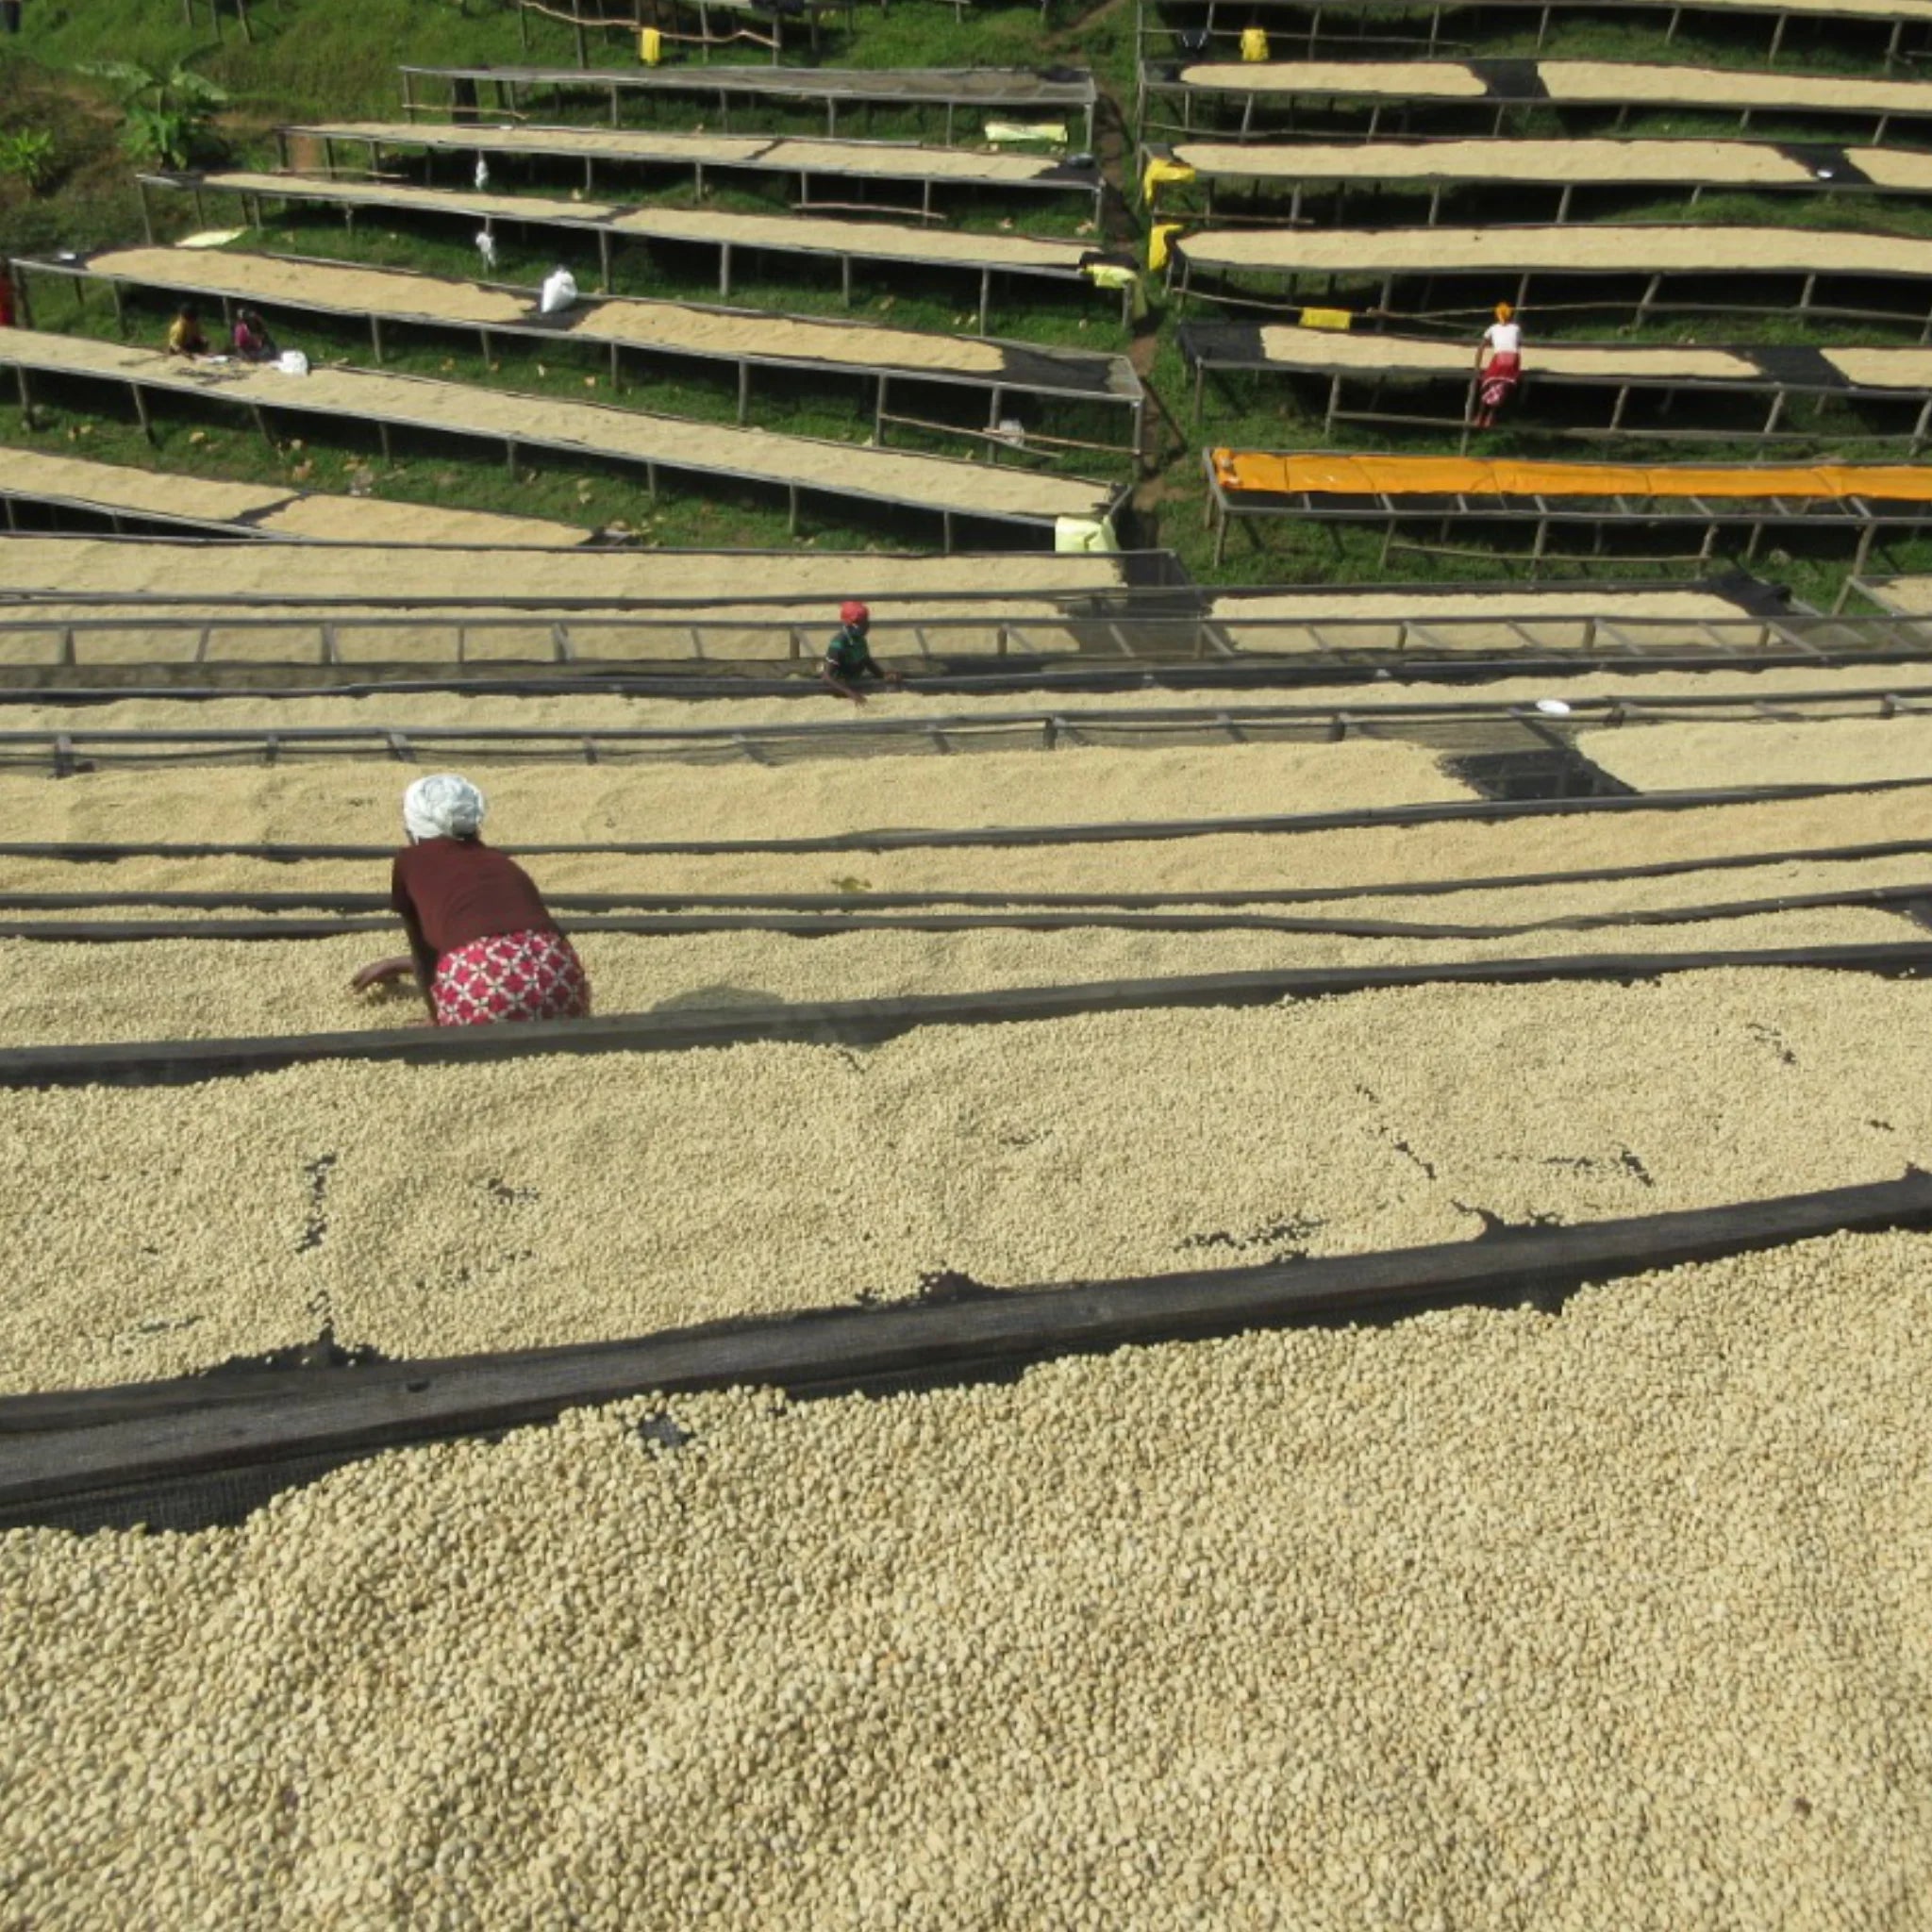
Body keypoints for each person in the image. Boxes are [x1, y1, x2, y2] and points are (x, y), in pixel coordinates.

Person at [351, 774, 592, 1027]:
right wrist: (400, 964)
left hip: (481, 995)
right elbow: (509, 944)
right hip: (563, 985)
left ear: (411, 828)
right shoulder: (500, 861)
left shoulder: (410, 862)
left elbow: (426, 956)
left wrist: (435, 1018)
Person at [821, 600, 903, 706]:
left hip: (856, 682)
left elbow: (866, 661)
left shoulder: (860, 640)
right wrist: (850, 693)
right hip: (839, 687)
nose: (867, 625)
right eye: (862, 623)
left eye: (866, 621)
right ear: (852, 625)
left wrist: (883, 675)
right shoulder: (838, 644)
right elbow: (827, 677)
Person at [1472, 301, 1524, 430]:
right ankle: (1491, 415)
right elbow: (1517, 347)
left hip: (1501, 357)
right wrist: (1517, 369)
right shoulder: (1516, 328)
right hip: (1512, 358)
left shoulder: (1492, 328)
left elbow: (1481, 347)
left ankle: (1480, 416)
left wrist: (1477, 367)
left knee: (1488, 384)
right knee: (1501, 387)